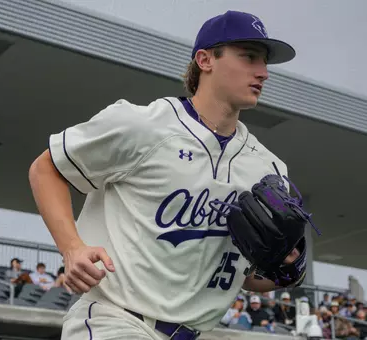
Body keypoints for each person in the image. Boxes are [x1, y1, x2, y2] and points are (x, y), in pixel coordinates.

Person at [29, 10, 305, 340]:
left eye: (264, 63)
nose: (262, 73)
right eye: (249, 57)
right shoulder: (143, 125)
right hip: (115, 321)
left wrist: (289, 267)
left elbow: (248, 278)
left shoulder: (269, 170)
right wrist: (72, 248)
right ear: (205, 60)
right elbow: (45, 169)